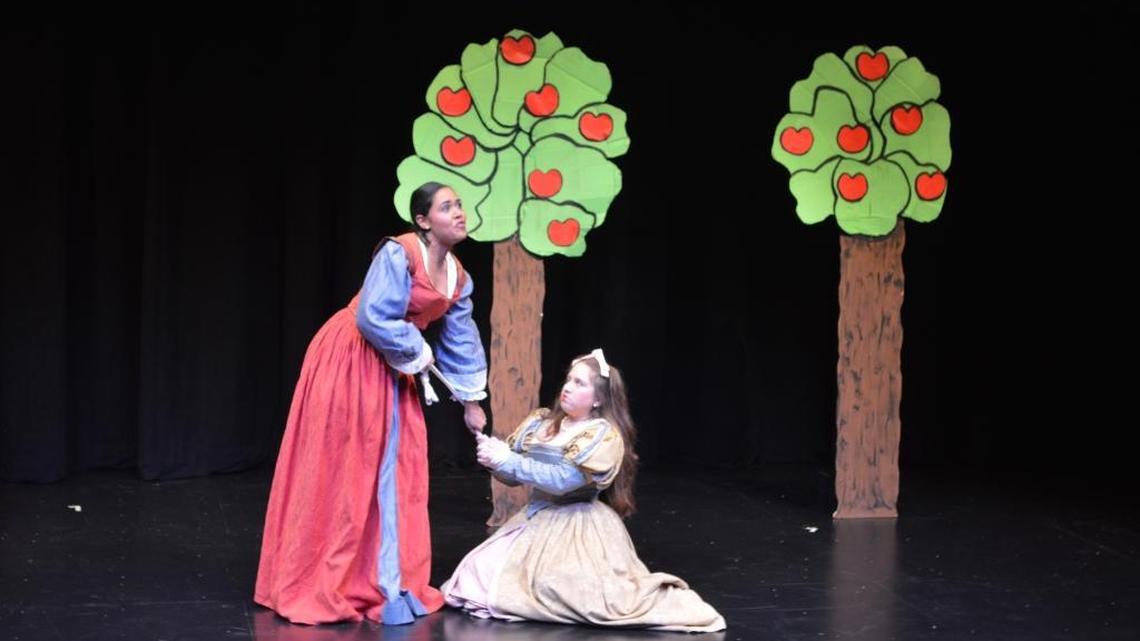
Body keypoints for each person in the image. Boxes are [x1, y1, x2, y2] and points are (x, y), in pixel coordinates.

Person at [255, 182, 488, 625]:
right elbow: (374, 317)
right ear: (423, 221)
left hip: (395, 365)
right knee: (347, 464)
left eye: (459, 205)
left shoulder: (458, 275)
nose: (458, 212)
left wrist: (471, 399)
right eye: (446, 207)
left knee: (398, 467)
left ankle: (386, 579)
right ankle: (325, 578)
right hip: (353, 354)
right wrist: (415, 351)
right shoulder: (399, 253)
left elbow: (462, 338)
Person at [441, 349, 726, 632]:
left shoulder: (601, 435)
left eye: (580, 383)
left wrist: (509, 459)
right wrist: (495, 460)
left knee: (570, 591)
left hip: (577, 525)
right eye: (568, 380)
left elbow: (562, 480)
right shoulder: (540, 423)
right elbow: (514, 477)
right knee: (472, 578)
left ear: (598, 398)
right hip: (535, 520)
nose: (567, 388)